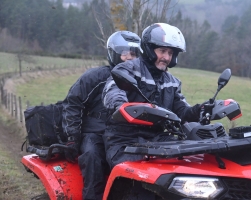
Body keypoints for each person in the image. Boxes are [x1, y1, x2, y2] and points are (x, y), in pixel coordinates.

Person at [102, 23, 208, 169]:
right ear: (149, 50)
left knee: (188, 163)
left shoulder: (172, 82)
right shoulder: (128, 69)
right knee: (136, 174)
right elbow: (113, 90)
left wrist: (201, 109)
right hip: (124, 139)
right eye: (162, 51)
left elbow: (182, 111)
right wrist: (120, 105)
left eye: (171, 53)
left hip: (156, 138)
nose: (166, 57)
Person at [62, 31, 141, 200]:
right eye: (124, 53)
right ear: (114, 53)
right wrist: (72, 137)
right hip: (95, 133)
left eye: (133, 54)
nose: (129, 58)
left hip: (126, 135)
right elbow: (73, 104)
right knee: (92, 157)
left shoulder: (141, 82)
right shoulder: (96, 77)